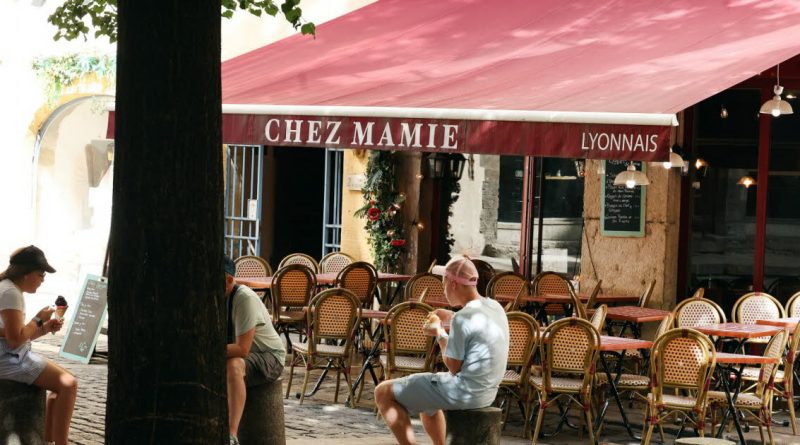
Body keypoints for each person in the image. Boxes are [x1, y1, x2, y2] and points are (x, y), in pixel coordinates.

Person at [375, 256, 510, 445]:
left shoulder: (463, 319)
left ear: (453, 284)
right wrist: (451, 316)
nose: (443, 288)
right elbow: (475, 324)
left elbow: (453, 366)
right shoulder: (494, 307)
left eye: (443, 282)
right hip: (487, 392)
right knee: (426, 398)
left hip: (463, 392)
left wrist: (439, 332)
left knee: (382, 392)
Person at [0, 245, 77, 445]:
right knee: (68, 384)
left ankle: (50, 440)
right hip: (8, 359)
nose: (43, 280)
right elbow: (15, 340)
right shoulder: (10, 293)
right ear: (26, 273)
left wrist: (44, 328)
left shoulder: (7, 287)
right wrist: (38, 318)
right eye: (41, 274)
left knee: (65, 384)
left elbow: (13, 335)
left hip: (11, 354)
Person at [224, 256, 285, 445]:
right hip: (247, 355)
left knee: (233, 365)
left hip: (270, 357)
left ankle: (231, 435)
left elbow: (242, 349)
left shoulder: (244, 298)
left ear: (228, 280)